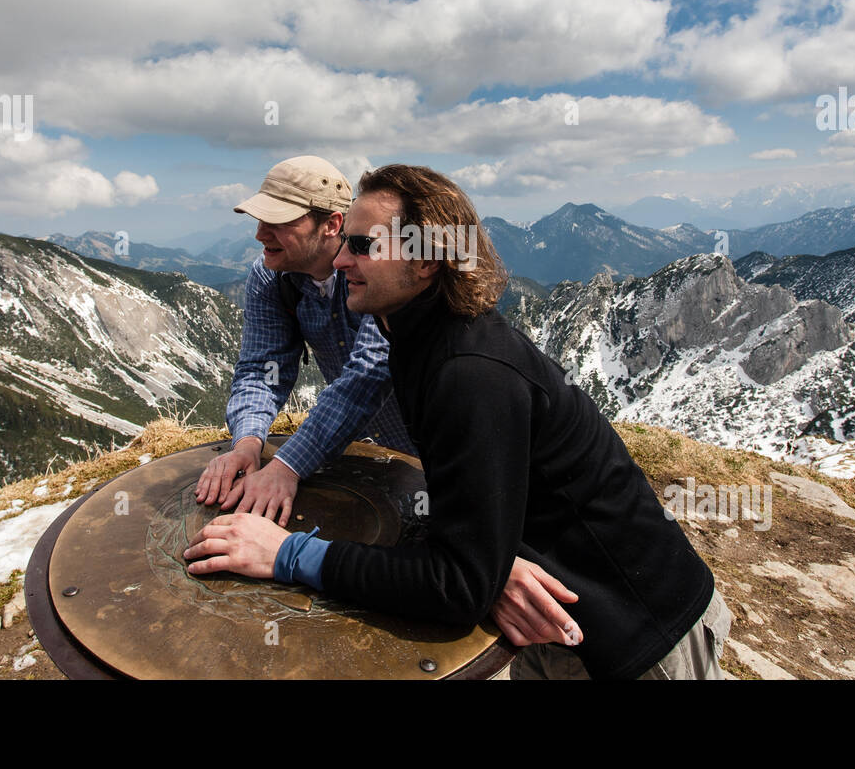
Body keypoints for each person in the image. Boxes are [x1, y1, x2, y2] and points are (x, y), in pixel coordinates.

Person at [186, 164, 731, 679]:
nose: (343, 261)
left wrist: (284, 553)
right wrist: (487, 563)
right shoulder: (423, 337)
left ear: (425, 261)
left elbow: (456, 587)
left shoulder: (468, 374)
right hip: (564, 626)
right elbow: (469, 541)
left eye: (362, 245)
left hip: (640, 637)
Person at [194, 155, 415, 528]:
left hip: (430, 452)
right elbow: (262, 368)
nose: (260, 234)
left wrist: (288, 465)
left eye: (278, 222)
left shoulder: (383, 270)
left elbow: (368, 374)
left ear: (331, 224)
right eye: (261, 219)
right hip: (365, 456)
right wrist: (248, 442)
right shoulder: (271, 277)